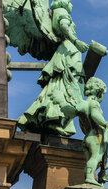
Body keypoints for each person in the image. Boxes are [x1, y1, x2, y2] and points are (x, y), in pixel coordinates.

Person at [18, 0, 88, 136]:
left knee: (62, 85)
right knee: (63, 86)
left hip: (67, 53)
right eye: (70, 1)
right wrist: (76, 41)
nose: (72, 5)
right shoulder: (61, 12)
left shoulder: (57, 12)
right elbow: (63, 26)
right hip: (67, 53)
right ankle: (52, 119)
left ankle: (53, 119)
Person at [77, 77, 108, 185]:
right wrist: (105, 124)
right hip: (95, 135)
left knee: (89, 161)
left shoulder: (84, 103)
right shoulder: (94, 103)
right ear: (99, 91)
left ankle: (89, 177)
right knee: (95, 158)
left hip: (87, 136)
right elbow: (95, 115)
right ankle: (90, 178)